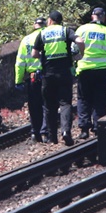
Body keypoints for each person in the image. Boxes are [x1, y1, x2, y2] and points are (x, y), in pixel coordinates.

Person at [72, 6, 106, 138]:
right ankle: (98, 126)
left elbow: (73, 49)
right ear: (104, 17)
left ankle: (84, 129)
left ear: (92, 16)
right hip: (102, 71)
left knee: (83, 99)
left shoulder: (82, 29)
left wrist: (73, 64)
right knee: (99, 98)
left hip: (84, 70)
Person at [34, 10, 76, 146]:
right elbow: (79, 40)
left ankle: (52, 137)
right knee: (65, 103)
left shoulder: (42, 33)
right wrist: (79, 54)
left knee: (49, 106)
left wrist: (44, 57)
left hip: (48, 74)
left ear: (50, 20)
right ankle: (65, 132)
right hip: (64, 72)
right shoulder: (66, 31)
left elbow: (34, 53)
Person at [15, 16, 49, 143]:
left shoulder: (26, 40)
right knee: (47, 104)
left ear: (34, 25)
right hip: (46, 75)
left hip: (32, 78)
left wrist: (18, 80)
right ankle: (46, 132)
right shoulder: (48, 36)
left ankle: (35, 132)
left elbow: (20, 62)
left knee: (34, 106)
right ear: (45, 25)